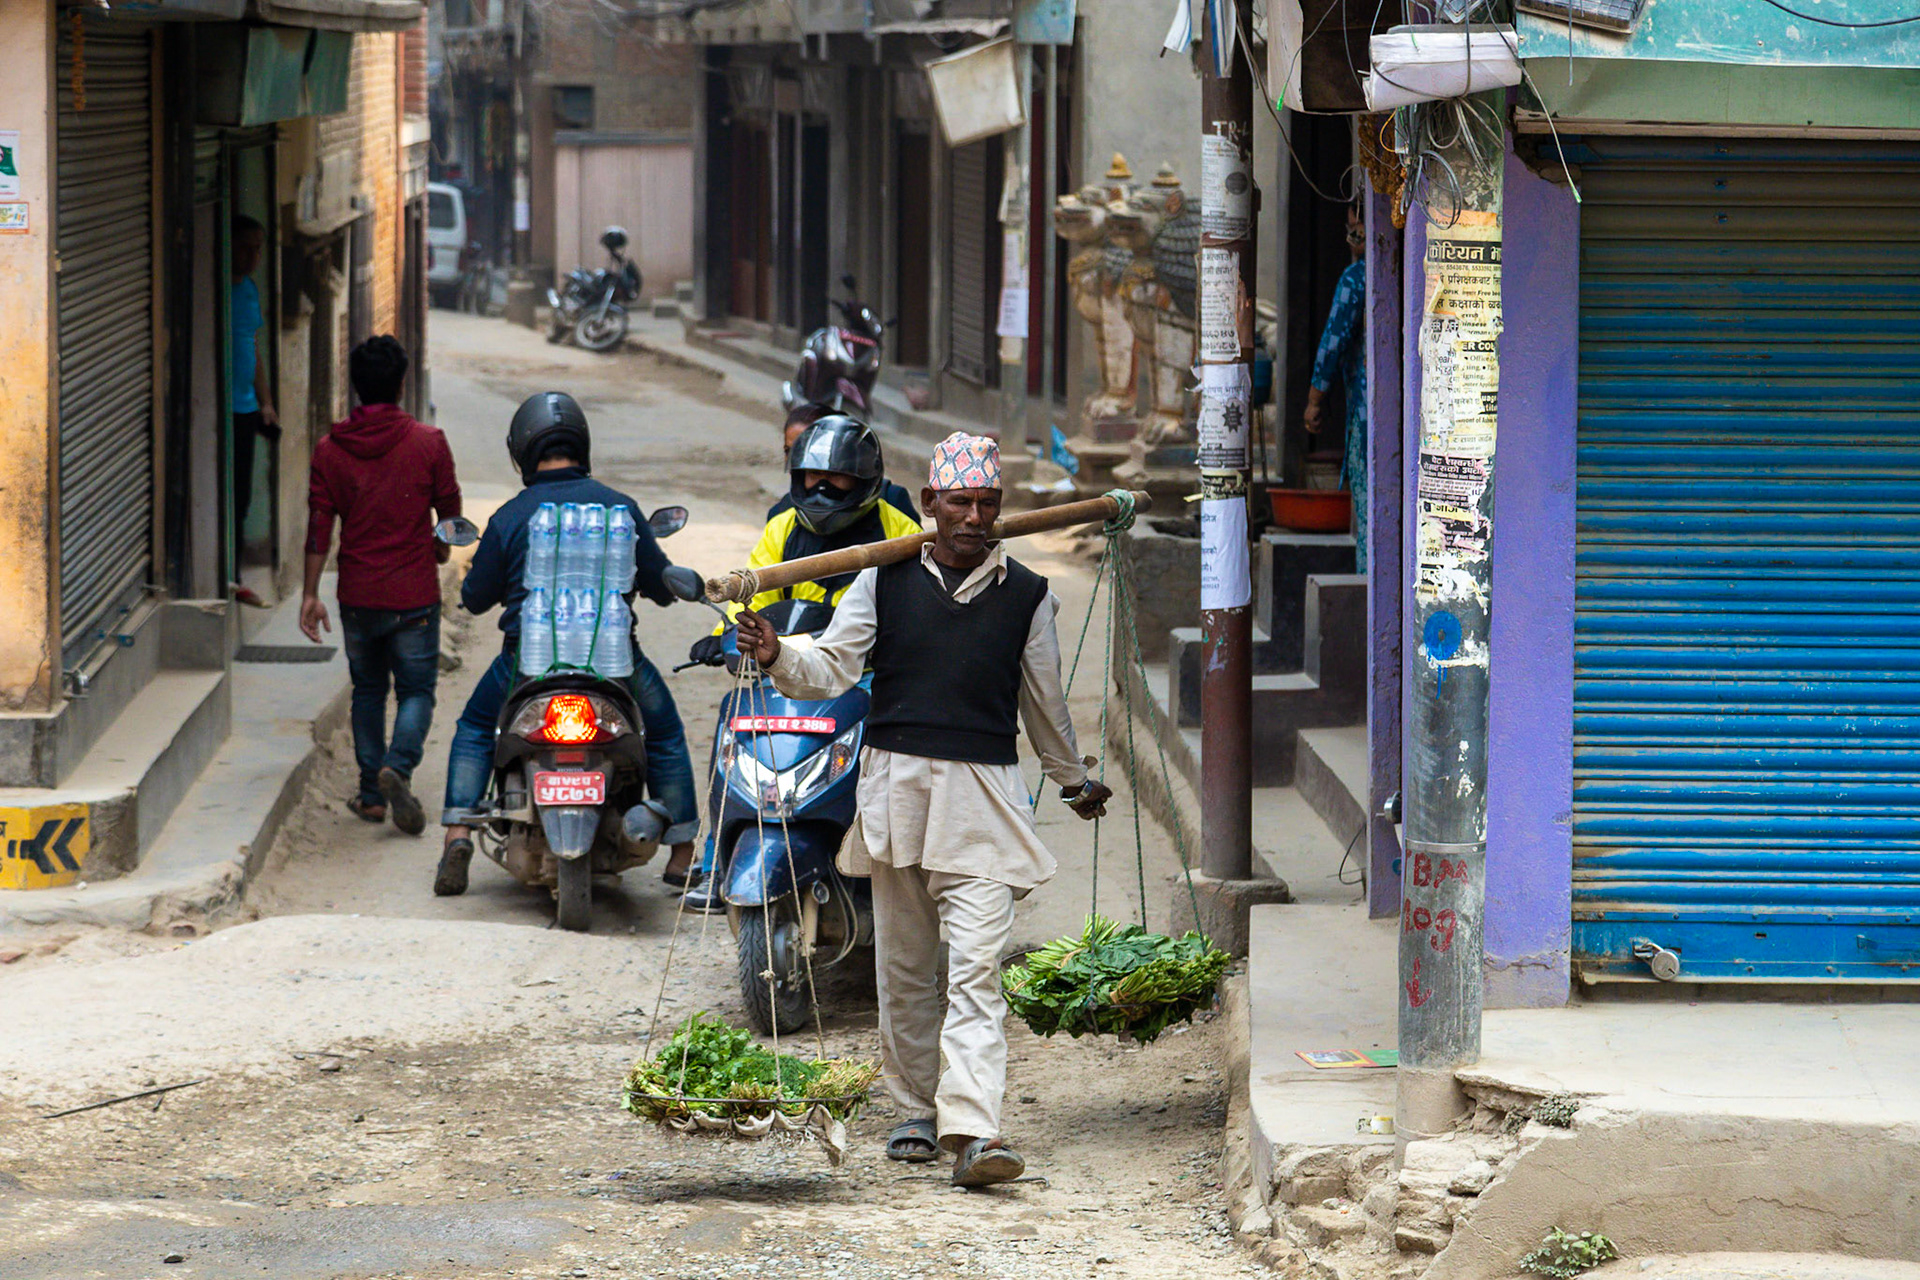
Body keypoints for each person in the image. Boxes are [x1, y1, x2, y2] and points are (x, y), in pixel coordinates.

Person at [735, 431, 1112, 1188]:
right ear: (930, 505)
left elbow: (1044, 709)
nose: (974, 518)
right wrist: (777, 653)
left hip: (983, 805)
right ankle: (913, 1107)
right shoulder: (882, 582)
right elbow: (831, 667)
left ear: (1000, 510)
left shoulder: (1028, 597)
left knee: (975, 971)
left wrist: (1073, 781)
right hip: (896, 796)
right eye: (961, 503)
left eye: (988, 505)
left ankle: (973, 1130)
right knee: (907, 969)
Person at [435, 392, 700, 896]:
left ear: (522, 453)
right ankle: (683, 854)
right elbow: (661, 581)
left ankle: (458, 831)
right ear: (582, 444)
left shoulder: (512, 516)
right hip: (615, 664)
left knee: (474, 727)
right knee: (663, 732)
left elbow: (474, 596)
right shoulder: (621, 508)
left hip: (526, 663)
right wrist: (660, 587)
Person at [677, 412, 920, 908]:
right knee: (733, 734)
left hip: (868, 674)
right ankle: (711, 862)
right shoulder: (782, 525)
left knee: (901, 755)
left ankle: (906, 866)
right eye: (812, 476)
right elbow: (752, 590)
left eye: (838, 478)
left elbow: (919, 602)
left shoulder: (901, 532)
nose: (823, 488)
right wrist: (721, 632)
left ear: (867, 480)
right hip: (788, 665)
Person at [300, 336, 460, 832]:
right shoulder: (429, 442)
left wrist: (308, 594)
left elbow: (319, 526)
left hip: (358, 594)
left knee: (368, 690)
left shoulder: (331, 449)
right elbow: (449, 514)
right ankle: (399, 766)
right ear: (401, 383)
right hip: (412, 593)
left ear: (355, 386)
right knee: (416, 692)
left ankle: (372, 793)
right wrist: (439, 547)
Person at [1304, 200, 1368, 571]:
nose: (1351, 238)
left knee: (1368, 510)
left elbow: (1332, 342)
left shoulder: (1356, 279)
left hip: (1365, 414)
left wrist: (1314, 400)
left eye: (1356, 228)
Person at [231, 215, 279, 608]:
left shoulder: (248, 290)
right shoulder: (216, 290)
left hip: (245, 408)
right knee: (227, 493)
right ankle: (225, 576)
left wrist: (265, 402)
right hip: (219, 413)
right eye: (246, 246)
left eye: (259, 247)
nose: (254, 255)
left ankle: (234, 574)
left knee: (242, 494)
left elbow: (254, 348)